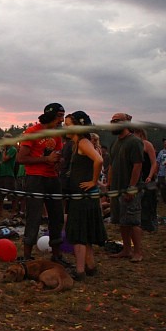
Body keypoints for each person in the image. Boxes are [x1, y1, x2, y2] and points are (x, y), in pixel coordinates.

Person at [16, 103, 68, 264]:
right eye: (59, 116)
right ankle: (26, 257)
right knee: (34, 216)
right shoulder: (32, 132)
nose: (62, 120)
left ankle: (57, 255)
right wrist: (45, 159)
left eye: (63, 116)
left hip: (53, 178)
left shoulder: (56, 135)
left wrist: (59, 162)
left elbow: (57, 155)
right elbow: (21, 158)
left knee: (57, 216)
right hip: (35, 179)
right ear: (50, 115)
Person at [64, 111, 106, 280]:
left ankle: (80, 271)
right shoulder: (78, 143)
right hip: (82, 195)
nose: (65, 128)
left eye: (68, 125)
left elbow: (99, 160)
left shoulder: (83, 142)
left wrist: (93, 181)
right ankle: (90, 266)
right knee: (85, 233)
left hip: (83, 196)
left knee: (79, 233)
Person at [107, 113, 145, 262]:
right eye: (112, 121)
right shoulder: (115, 143)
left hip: (129, 188)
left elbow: (137, 165)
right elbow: (112, 165)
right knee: (122, 221)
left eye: (117, 121)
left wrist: (131, 187)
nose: (113, 123)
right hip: (116, 188)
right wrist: (109, 184)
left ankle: (138, 252)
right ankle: (126, 249)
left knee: (133, 221)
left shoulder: (134, 141)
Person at [134, 128, 158, 232]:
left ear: (140, 133)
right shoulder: (134, 145)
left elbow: (154, 163)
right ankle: (140, 222)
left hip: (147, 176)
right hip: (138, 176)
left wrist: (150, 176)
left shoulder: (147, 144)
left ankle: (150, 223)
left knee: (149, 200)